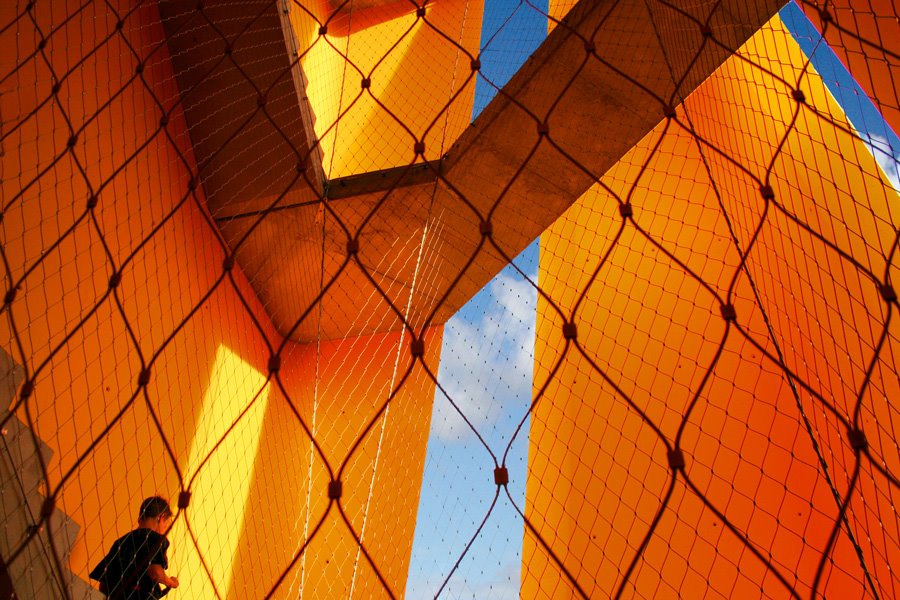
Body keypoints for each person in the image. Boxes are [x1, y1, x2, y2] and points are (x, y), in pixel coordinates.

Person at [90, 496, 180, 599]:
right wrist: (171, 582)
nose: (164, 531)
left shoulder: (120, 542)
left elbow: (104, 584)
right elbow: (156, 572)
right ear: (161, 517)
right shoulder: (156, 539)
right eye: (165, 525)